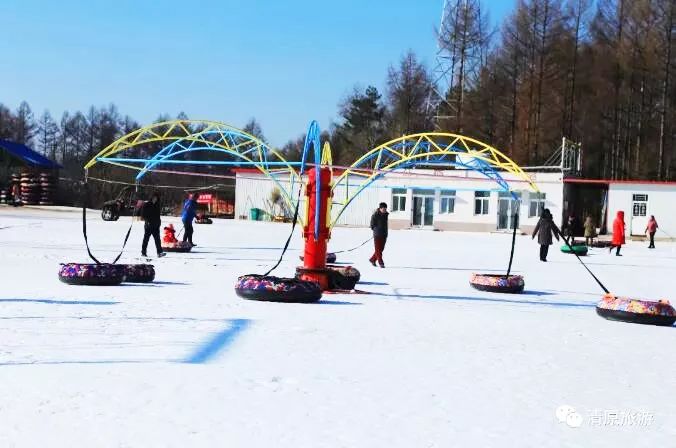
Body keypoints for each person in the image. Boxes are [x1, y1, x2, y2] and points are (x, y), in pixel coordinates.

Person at [141, 192, 165, 258]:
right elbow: (143, 215)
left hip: (156, 225)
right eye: (154, 198)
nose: (155, 199)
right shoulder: (147, 204)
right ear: (151, 198)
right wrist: (147, 221)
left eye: (156, 198)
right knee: (146, 239)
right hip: (148, 225)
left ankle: (159, 252)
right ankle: (143, 252)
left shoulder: (157, 205)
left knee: (157, 239)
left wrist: (159, 223)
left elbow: (157, 215)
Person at [369, 202, 389, 268]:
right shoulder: (375, 215)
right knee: (378, 249)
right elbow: (372, 225)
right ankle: (381, 262)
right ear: (380, 208)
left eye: (385, 209)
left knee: (381, 249)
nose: (385, 210)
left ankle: (372, 259)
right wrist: (376, 230)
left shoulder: (386, 215)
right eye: (383, 208)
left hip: (384, 234)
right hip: (377, 235)